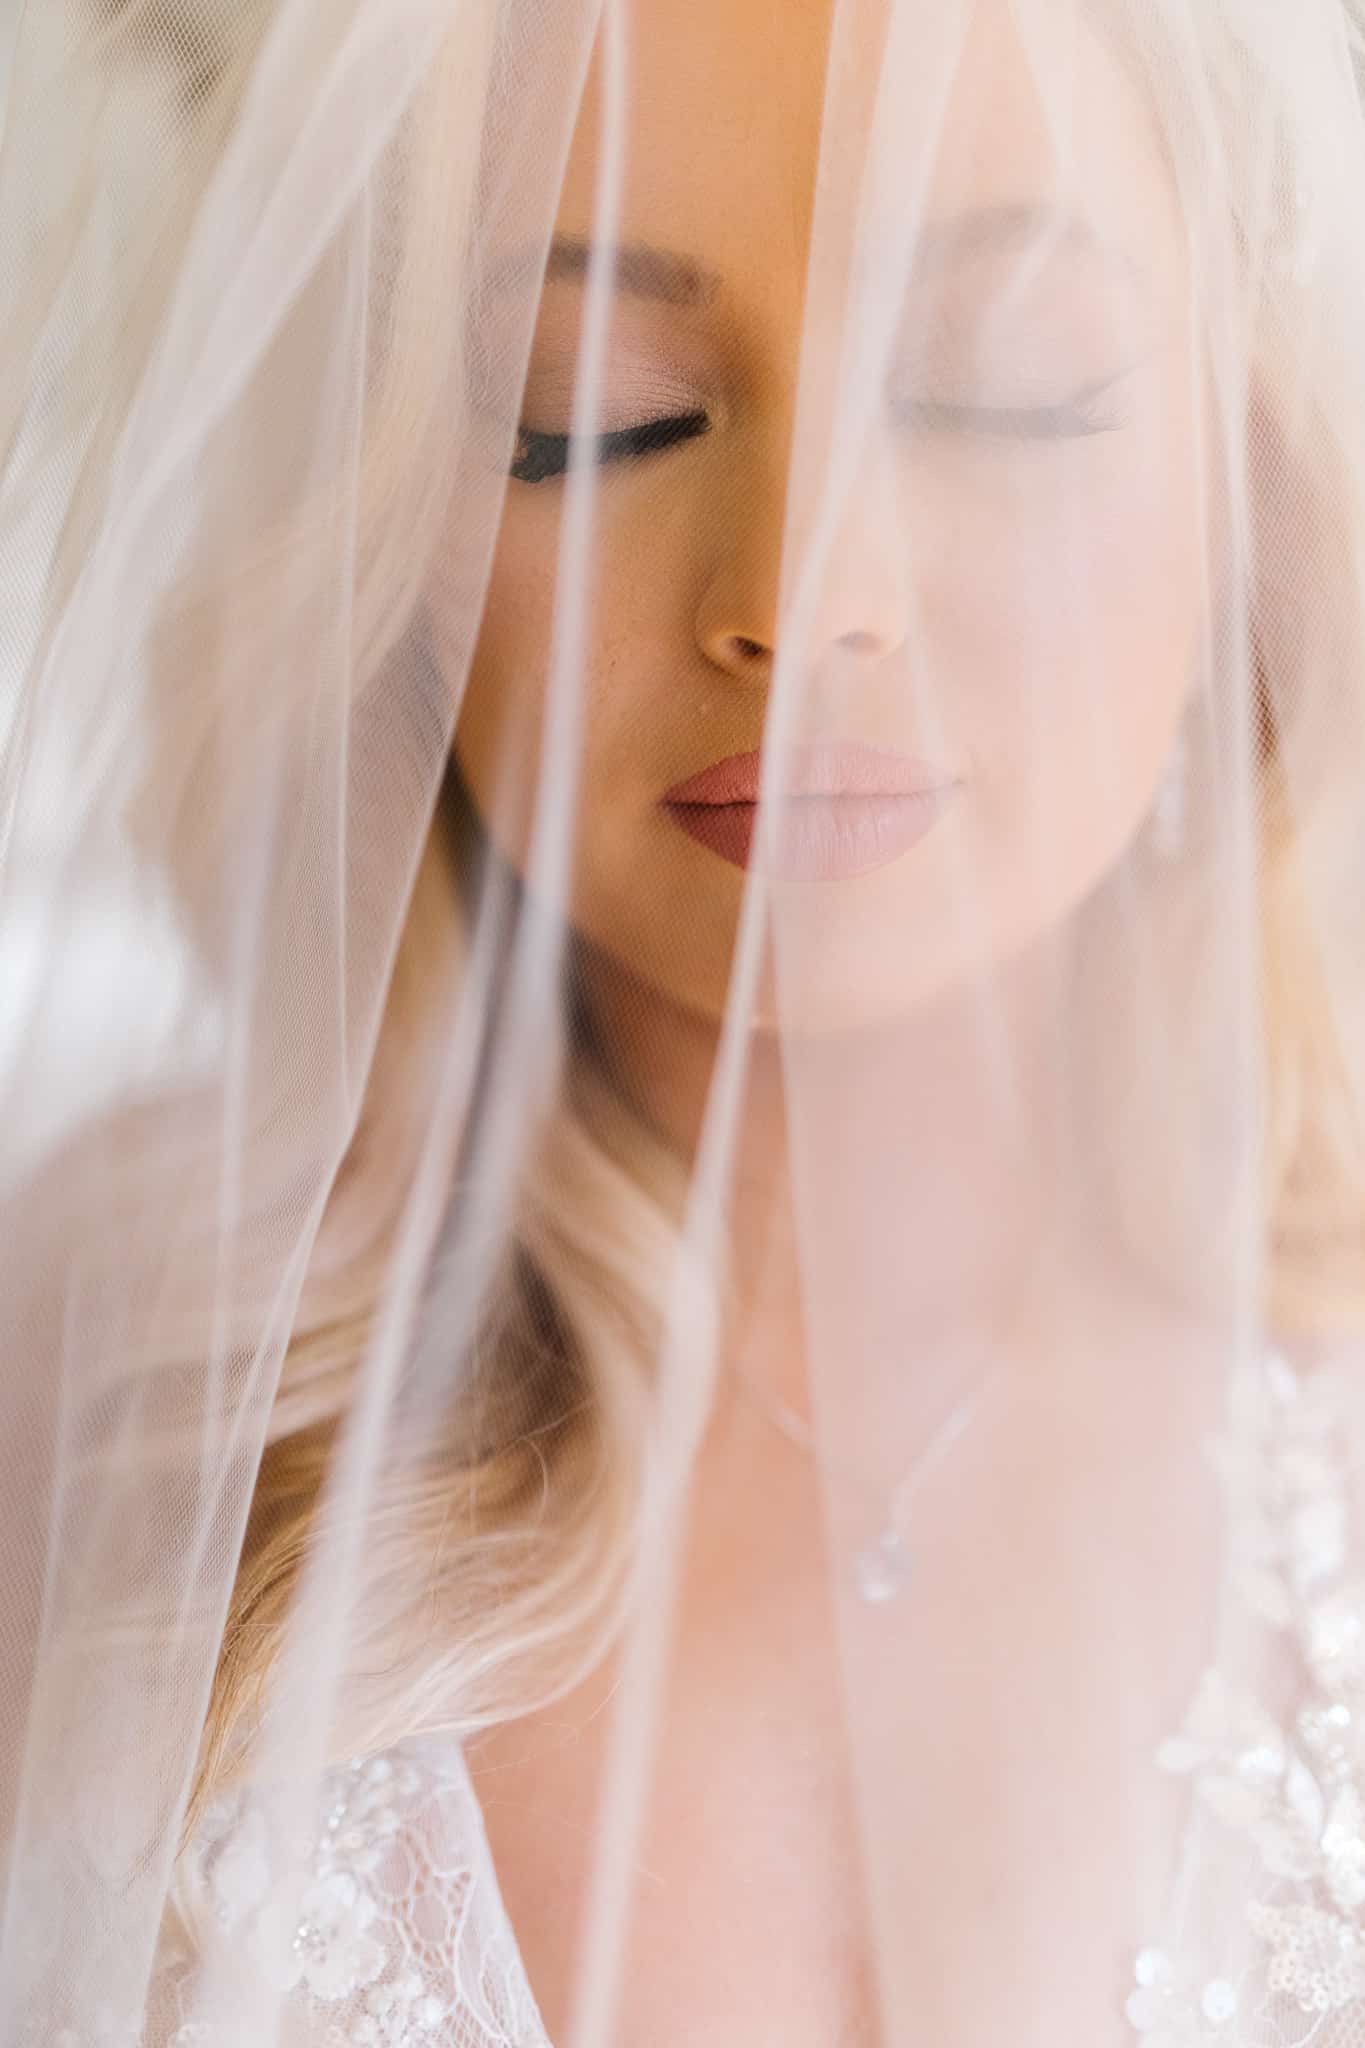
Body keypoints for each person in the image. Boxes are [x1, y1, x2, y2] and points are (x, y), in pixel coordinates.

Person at [4, 0, 1365, 2042]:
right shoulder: (113, 1395)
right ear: (388, 542)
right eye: (591, 415)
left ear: (1240, 468)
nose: (800, 594)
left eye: (1004, 388)